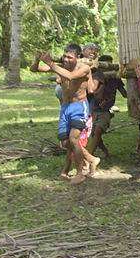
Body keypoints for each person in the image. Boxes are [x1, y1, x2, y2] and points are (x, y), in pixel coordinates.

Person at [37, 44, 101, 185]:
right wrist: (37, 60)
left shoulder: (84, 68)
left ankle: (80, 173)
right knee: (66, 143)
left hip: (79, 106)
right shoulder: (61, 67)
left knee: (73, 138)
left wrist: (51, 63)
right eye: (64, 56)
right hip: (65, 107)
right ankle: (91, 159)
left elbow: (71, 77)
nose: (66, 59)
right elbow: (35, 69)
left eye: (70, 57)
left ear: (77, 57)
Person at [87, 55, 127, 157]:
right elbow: (91, 92)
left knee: (98, 131)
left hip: (105, 110)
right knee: (95, 134)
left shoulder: (115, 78)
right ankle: (105, 151)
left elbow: (124, 93)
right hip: (93, 109)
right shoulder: (95, 77)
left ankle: (89, 156)